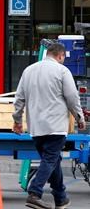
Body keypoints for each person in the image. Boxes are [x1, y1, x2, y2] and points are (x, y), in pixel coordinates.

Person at [12, 42, 86, 209]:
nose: (63, 61)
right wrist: (80, 118)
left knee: (53, 160)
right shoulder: (62, 71)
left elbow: (19, 99)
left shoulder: (28, 71)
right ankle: (34, 193)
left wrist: (17, 121)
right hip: (56, 126)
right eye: (63, 58)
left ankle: (61, 197)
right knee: (51, 159)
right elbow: (72, 98)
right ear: (60, 55)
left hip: (36, 128)